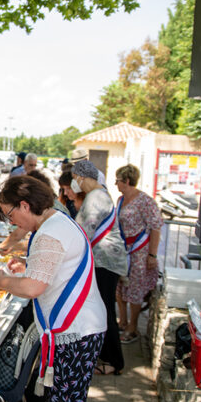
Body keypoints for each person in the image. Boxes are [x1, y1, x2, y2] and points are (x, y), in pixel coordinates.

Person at [0, 176, 106, 402]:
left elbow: (33, 288)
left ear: (24, 205)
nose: (13, 224)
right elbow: (54, 269)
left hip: (76, 330)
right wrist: (29, 265)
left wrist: (2, 280)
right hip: (82, 328)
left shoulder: (49, 232)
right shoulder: (57, 222)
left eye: (10, 215)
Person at [71, 160, 127, 375]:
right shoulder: (100, 193)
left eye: (76, 179)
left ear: (83, 177)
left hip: (105, 261)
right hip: (104, 260)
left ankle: (114, 360)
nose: (76, 184)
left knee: (105, 310)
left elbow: (85, 228)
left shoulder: (95, 197)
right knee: (102, 309)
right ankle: (104, 355)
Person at [114, 164, 163, 344]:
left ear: (127, 181)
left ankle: (133, 327)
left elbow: (156, 227)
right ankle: (123, 321)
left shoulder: (145, 201)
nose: (116, 184)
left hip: (139, 253)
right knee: (120, 288)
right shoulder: (120, 200)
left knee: (135, 289)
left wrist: (152, 255)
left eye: (118, 180)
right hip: (123, 251)